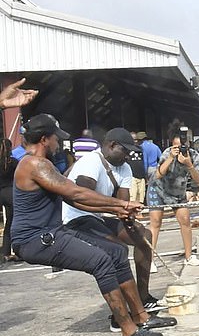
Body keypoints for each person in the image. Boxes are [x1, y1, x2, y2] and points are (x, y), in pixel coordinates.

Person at [11, 114, 174, 336]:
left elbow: (75, 200)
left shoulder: (43, 165)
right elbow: (77, 193)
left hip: (52, 233)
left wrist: (119, 207)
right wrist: (121, 205)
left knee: (117, 253)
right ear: (45, 139)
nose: (60, 144)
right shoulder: (34, 164)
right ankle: (127, 332)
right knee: (101, 261)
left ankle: (142, 317)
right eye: (57, 138)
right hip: (35, 239)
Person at [62, 127, 166, 315]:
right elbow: (83, 199)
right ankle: (121, 313)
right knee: (117, 250)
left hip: (99, 216)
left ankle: (143, 297)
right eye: (124, 151)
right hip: (77, 217)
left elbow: (123, 201)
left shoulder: (124, 167)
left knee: (145, 236)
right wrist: (118, 207)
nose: (127, 156)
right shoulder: (91, 162)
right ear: (111, 145)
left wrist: (128, 215)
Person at [147, 131, 199, 267]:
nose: (180, 149)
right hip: (158, 189)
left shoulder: (194, 156)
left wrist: (189, 165)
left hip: (178, 192)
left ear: (188, 144)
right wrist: (171, 158)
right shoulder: (167, 153)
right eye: (176, 146)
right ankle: (150, 260)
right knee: (155, 223)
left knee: (185, 220)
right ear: (172, 145)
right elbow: (159, 174)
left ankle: (189, 257)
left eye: (183, 146)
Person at [0, 138, 18, 262]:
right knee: (12, 223)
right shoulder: (13, 162)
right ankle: (16, 251)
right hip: (10, 193)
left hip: (1, 192)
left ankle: (5, 253)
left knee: (8, 224)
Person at [128, 132, 147, 204]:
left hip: (141, 176)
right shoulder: (127, 149)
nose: (135, 141)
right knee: (133, 196)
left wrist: (145, 175)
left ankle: (139, 213)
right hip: (132, 176)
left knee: (141, 196)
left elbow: (144, 161)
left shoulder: (140, 149)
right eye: (133, 140)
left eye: (136, 139)